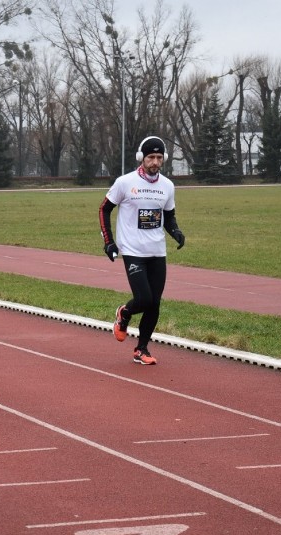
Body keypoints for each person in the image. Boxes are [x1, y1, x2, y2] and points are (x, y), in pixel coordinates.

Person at [99, 136, 185, 365]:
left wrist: (175, 231)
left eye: (159, 157)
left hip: (157, 251)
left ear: (164, 158)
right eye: (150, 157)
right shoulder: (125, 183)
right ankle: (125, 313)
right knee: (144, 298)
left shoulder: (167, 186)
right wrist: (108, 241)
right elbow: (104, 209)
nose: (155, 162)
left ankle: (141, 349)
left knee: (155, 303)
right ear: (141, 158)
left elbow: (168, 216)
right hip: (133, 249)